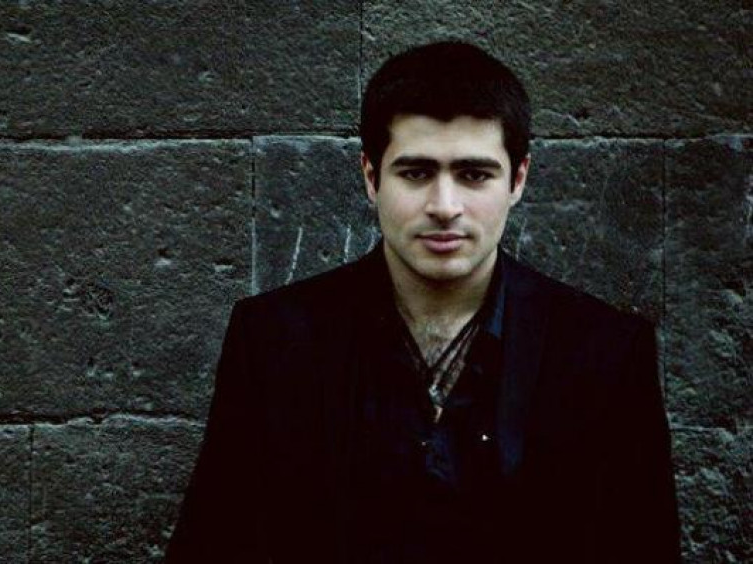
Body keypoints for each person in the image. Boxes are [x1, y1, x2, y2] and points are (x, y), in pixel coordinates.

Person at [165, 41, 680, 563]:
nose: (444, 206)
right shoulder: (274, 341)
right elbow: (215, 544)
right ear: (371, 178)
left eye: (474, 174)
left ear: (518, 180)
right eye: (415, 173)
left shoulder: (606, 353)